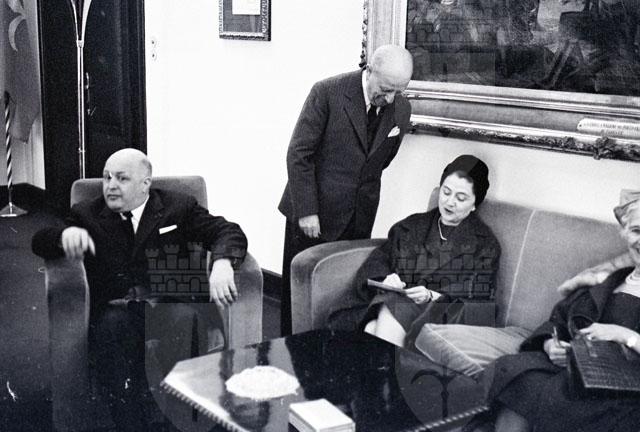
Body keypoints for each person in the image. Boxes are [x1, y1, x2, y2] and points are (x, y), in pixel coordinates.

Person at [32, 149, 247, 431]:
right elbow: (40, 239)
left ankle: (180, 422)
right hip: (117, 308)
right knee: (111, 331)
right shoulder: (87, 213)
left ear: (145, 184)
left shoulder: (177, 206)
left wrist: (222, 263)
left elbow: (227, 231)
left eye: (121, 178)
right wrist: (63, 235)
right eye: (106, 177)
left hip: (168, 304)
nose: (110, 186)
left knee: (188, 323)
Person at [278, 44, 414, 335]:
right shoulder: (328, 92)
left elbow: (383, 159)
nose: (391, 98)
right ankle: (292, 350)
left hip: (359, 216)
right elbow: (298, 154)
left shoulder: (401, 109)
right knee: (300, 295)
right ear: (370, 70)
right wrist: (307, 211)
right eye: (386, 89)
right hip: (314, 214)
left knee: (344, 293)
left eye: (398, 91)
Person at [484, 190, 640, 432]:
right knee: (515, 372)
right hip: (578, 371)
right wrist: (550, 344)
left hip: (627, 386)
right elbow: (559, 320)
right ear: (624, 232)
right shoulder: (605, 280)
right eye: (637, 231)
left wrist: (624, 335)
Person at [329, 155, 501, 348]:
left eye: (460, 198)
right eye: (446, 192)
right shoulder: (411, 226)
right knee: (374, 323)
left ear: (475, 203)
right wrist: (386, 279)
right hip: (396, 303)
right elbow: (380, 260)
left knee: (378, 321)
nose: (450, 202)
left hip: (442, 312)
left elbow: (479, 296)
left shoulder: (485, 244)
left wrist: (431, 295)